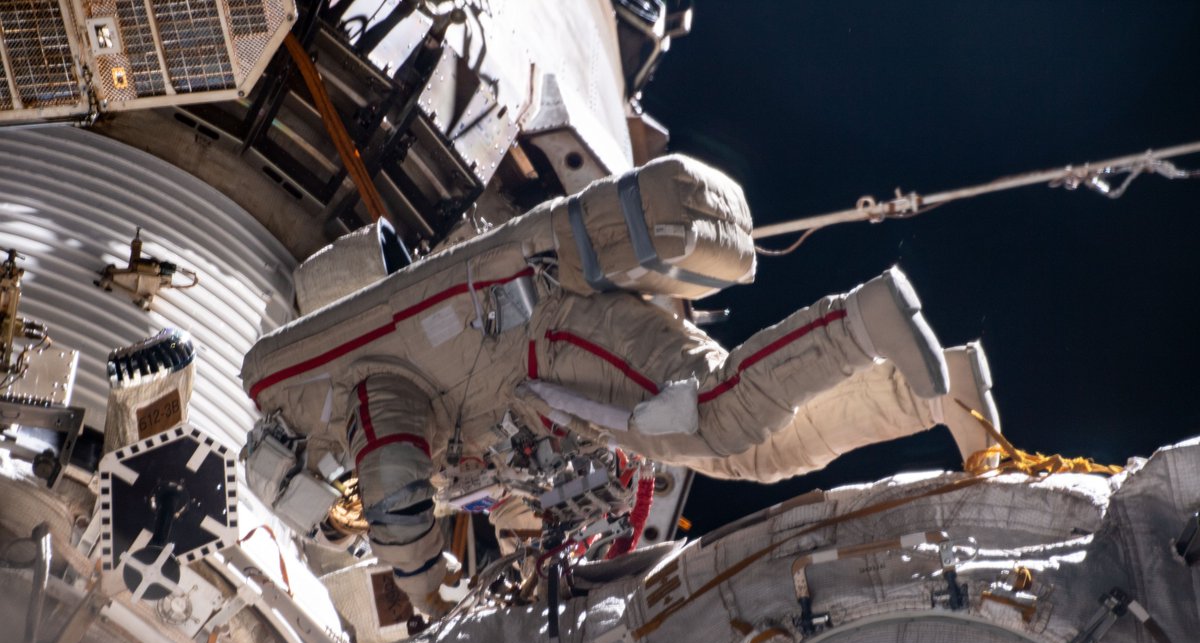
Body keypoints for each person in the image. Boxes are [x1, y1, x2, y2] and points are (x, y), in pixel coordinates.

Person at [243, 156, 998, 616]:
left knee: (714, 416)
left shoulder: (345, 402)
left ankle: (859, 321)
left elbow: (391, 481)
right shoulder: (427, 451)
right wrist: (528, 557)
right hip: (560, 376)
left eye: (341, 507)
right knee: (760, 452)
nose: (353, 512)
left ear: (304, 469)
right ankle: (932, 394)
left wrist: (422, 585)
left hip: (554, 330)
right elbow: (500, 491)